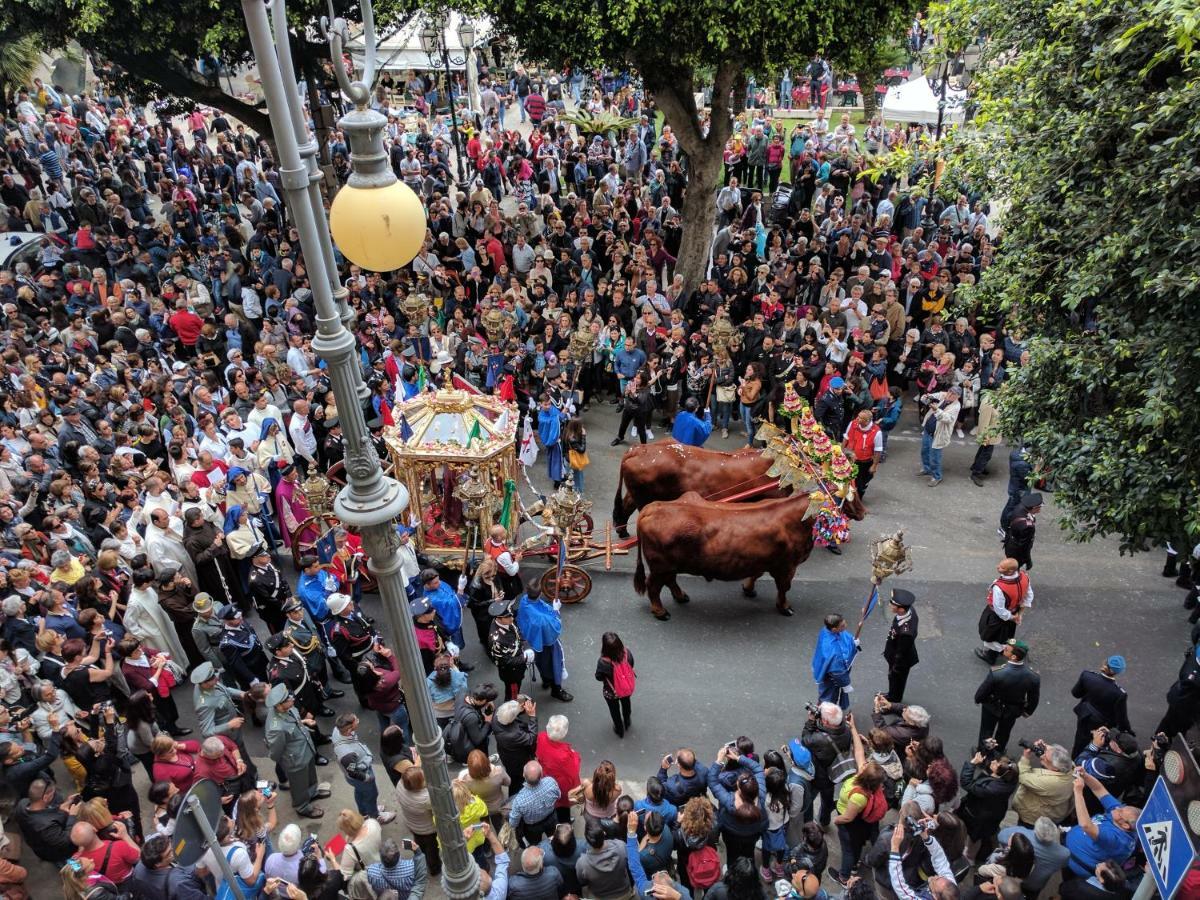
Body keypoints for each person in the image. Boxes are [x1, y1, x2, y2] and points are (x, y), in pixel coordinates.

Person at [264, 682, 331, 819]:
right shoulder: (276, 727)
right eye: (288, 699)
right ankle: (302, 807)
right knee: (299, 785)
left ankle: (312, 793)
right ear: (279, 705)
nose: (292, 699)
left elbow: (295, 722)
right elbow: (276, 751)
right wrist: (286, 762)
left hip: (306, 750)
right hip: (295, 760)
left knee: (311, 775)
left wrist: (304, 723)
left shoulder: (289, 708)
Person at [1064, 769, 1139, 878]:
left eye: (1121, 812)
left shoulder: (1119, 840)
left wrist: (1078, 791)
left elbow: (1086, 826)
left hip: (1076, 865)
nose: (1117, 808)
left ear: (1125, 825)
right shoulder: (1119, 812)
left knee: (1066, 886)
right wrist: (1085, 775)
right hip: (1067, 848)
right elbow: (1099, 789)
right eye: (1122, 807)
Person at [974, 639, 1041, 752]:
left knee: (986, 731)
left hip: (992, 707)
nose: (1004, 647)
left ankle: (982, 754)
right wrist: (1027, 711)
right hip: (1013, 710)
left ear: (1013, 657)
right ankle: (998, 753)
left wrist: (978, 699)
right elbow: (1033, 698)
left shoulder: (997, 673)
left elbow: (984, 690)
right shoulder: (1033, 677)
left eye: (1007, 649)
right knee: (1004, 733)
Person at [708, 742, 767, 868]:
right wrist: (739, 758)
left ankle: (731, 870)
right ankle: (749, 869)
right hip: (752, 834)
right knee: (749, 852)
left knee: (732, 854)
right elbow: (757, 768)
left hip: (731, 834)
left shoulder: (729, 800)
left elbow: (713, 782)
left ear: (739, 788)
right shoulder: (761, 794)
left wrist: (719, 760)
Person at [332, 712, 396, 824]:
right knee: (371, 795)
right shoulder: (347, 754)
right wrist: (366, 778)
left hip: (355, 779)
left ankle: (364, 812)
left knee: (360, 793)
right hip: (361, 776)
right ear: (348, 731)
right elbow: (352, 772)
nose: (358, 720)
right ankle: (375, 816)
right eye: (355, 720)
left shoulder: (338, 731)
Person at [517, 585, 574, 702]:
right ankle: (556, 690)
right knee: (554, 666)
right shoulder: (543, 620)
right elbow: (555, 625)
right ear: (540, 594)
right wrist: (556, 609)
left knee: (541, 664)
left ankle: (546, 681)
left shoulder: (524, 600)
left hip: (532, 642)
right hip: (546, 644)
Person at [1070, 656, 1133, 757]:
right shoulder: (1120, 694)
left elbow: (1076, 693)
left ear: (1105, 663)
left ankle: (1075, 759)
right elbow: (1122, 718)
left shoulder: (1087, 676)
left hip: (1085, 715)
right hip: (1102, 725)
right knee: (1098, 745)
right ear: (1118, 672)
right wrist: (1128, 732)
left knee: (1080, 740)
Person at [975, 558, 1034, 664]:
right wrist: (1019, 614)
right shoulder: (1025, 577)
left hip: (998, 616)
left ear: (1010, 571)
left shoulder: (999, 588)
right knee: (1005, 635)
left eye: (1002, 567)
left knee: (990, 635)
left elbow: (999, 610)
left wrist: (1012, 617)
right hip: (1013, 611)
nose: (997, 567)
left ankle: (993, 656)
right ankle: (1000, 652)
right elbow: (1028, 596)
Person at [997, 818, 1071, 897]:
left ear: (1036, 828)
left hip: (1011, 876)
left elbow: (1000, 836)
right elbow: (1064, 865)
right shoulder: (1064, 854)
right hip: (1034, 885)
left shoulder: (1019, 833)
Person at [15, 778, 80, 866]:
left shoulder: (22, 804)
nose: (54, 796)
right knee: (70, 864)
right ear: (45, 797)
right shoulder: (45, 826)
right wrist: (72, 816)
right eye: (52, 794)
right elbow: (64, 840)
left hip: (37, 844)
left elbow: (46, 813)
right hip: (57, 853)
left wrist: (60, 807)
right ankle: (73, 871)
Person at [125, 832, 208, 899]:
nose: (174, 851)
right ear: (158, 864)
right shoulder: (179, 883)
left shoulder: (139, 868)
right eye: (169, 853)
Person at [509, 760, 562, 847]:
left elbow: (513, 823)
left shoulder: (519, 801)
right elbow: (559, 796)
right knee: (555, 839)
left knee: (535, 845)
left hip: (533, 828)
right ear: (541, 774)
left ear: (523, 775)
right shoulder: (551, 782)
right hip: (551, 818)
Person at [812, 614, 860, 709]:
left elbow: (844, 638)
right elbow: (837, 672)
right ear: (834, 629)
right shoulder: (833, 652)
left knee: (826, 694)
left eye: (844, 622)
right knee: (829, 698)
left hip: (823, 668)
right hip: (831, 678)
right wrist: (845, 684)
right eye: (842, 625)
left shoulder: (826, 630)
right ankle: (826, 717)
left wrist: (852, 642)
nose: (845, 625)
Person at [595, 632, 636, 738]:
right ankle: (627, 722)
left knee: (614, 710)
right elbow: (631, 665)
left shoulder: (603, 662)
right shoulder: (627, 653)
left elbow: (598, 677)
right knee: (626, 704)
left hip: (611, 691)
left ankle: (619, 729)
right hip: (626, 688)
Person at [882, 588, 919, 703]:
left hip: (901, 661)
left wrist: (895, 667)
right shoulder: (908, 610)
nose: (890, 605)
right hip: (895, 652)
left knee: (896, 680)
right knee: (893, 680)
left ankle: (894, 701)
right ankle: (891, 694)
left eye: (893, 604)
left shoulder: (906, 632)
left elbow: (901, 652)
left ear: (901, 609)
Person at [1004, 493, 1041, 570]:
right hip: (1016, 552)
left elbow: (1008, 520)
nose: (1040, 509)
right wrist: (1028, 560)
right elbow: (1024, 547)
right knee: (1013, 569)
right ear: (1034, 508)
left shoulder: (1019, 507)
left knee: (1009, 565)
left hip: (1009, 542)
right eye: (1039, 507)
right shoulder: (1028, 526)